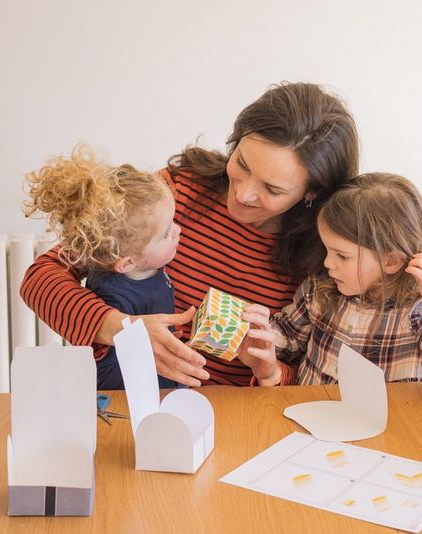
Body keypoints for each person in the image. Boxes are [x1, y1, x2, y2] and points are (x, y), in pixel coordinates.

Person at [20, 82, 359, 387]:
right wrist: (125, 331)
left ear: (311, 193)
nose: (243, 194)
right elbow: (41, 279)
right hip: (134, 404)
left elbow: (314, 380)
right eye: (241, 163)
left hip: (241, 421)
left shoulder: (327, 258)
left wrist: (269, 371)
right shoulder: (172, 193)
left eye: (271, 188)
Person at [241, 173, 422, 400]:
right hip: (310, 421)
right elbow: (288, 338)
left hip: (383, 435)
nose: (327, 263)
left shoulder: (419, 313)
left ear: (391, 261)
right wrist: (259, 334)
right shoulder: (321, 290)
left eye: (342, 256)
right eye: (327, 250)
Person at [23, 145, 181, 389]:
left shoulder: (143, 259)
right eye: (167, 233)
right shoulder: (115, 296)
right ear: (128, 262)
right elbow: (113, 375)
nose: (178, 231)